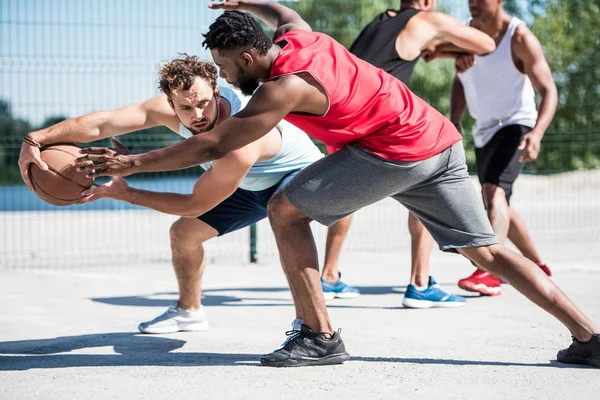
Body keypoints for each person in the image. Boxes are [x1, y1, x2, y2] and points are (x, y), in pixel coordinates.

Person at [75, 2, 600, 369]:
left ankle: (318, 336)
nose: (226, 75)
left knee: (283, 208)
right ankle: (589, 337)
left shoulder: (281, 90)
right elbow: (283, 13)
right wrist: (248, 3)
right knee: (485, 249)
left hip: (393, 151)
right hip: (438, 138)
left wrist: (133, 165)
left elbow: (213, 146)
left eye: (225, 66)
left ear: (250, 58)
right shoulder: (299, 37)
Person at [18, 55, 322, 335]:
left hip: (294, 178)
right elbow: (102, 123)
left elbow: (194, 204)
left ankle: (309, 326)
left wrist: (127, 193)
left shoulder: (240, 137)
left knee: (285, 220)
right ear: (171, 104)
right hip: (246, 184)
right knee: (184, 235)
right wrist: (36, 138)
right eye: (186, 108)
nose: (198, 115)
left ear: (217, 92)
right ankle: (189, 312)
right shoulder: (170, 109)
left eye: (204, 103)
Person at [321, 0, 499, 307]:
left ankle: (328, 277)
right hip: (382, 125)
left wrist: (440, 50)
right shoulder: (427, 20)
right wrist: (452, 49)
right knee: (426, 185)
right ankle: (420, 283)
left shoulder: (379, 22)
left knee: (343, 203)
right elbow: (486, 44)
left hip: (342, 119)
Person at [426, 0, 556, 296]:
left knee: (493, 192)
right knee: (498, 199)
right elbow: (456, 77)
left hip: (516, 125)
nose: (472, 3)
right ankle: (537, 265)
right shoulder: (467, 34)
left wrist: (537, 133)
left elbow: (549, 89)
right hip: (483, 129)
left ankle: (488, 271)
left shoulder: (519, 37)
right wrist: (454, 119)